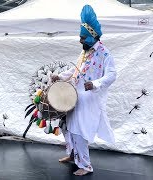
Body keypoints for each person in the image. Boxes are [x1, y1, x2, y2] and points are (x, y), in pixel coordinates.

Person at [52, 5, 117, 176]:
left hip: (89, 100)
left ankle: (86, 166)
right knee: (66, 127)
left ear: (91, 36)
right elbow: (75, 70)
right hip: (74, 97)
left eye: (82, 38)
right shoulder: (85, 52)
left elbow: (112, 75)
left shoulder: (104, 53)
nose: (80, 41)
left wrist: (95, 84)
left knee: (79, 131)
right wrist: (59, 76)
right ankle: (73, 155)